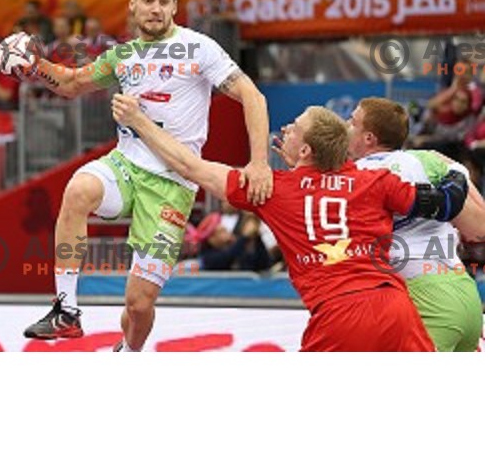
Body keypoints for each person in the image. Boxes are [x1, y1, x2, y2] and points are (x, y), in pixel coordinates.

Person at [0, 0, 273, 350]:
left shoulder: (199, 48)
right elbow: (74, 83)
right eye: (148, 0)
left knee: (138, 304)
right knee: (78, 191)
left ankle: (130, 352)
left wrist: (258, 163)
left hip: (173, 185)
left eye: (164, 1)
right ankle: (66, 309)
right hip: (125, 164)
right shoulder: (122, 55)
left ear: (175, 7)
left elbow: (252, 96)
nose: (156, 8)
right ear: (132, 5)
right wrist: (36, 66)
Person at [111, 95, 470, 351]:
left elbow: (190, 166)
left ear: (304, 151)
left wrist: (140, 121)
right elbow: (445, 203)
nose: (286, 127)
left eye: (295, 126)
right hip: (395, 308)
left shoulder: (273, 190)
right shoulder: (373, 180)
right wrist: (457, 171)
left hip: (339, 317)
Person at [348, 97, 483, 351]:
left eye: (352, 122)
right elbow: (480, 229)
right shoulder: (428, 160)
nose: (346, 126)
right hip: (465, 292)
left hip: (424, 298)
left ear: (369, 138)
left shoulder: (353, 174)